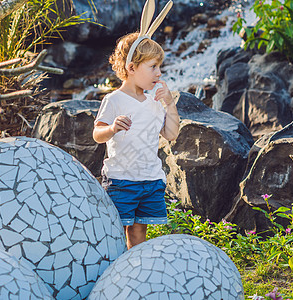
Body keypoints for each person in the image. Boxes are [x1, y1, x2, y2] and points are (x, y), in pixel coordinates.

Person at [92, 0, 179, 249]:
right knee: (116, 229)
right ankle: (113, 269)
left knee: (139, 231)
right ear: (131, 68)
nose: (159, 73)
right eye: (153, 67)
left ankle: (133, 269)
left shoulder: (155, 101)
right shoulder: (114, 100)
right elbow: (97, 134)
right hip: (121, 180)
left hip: (150, 179)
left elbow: (171, 134)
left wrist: (170, 106)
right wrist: (112, 129)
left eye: (160, 67)